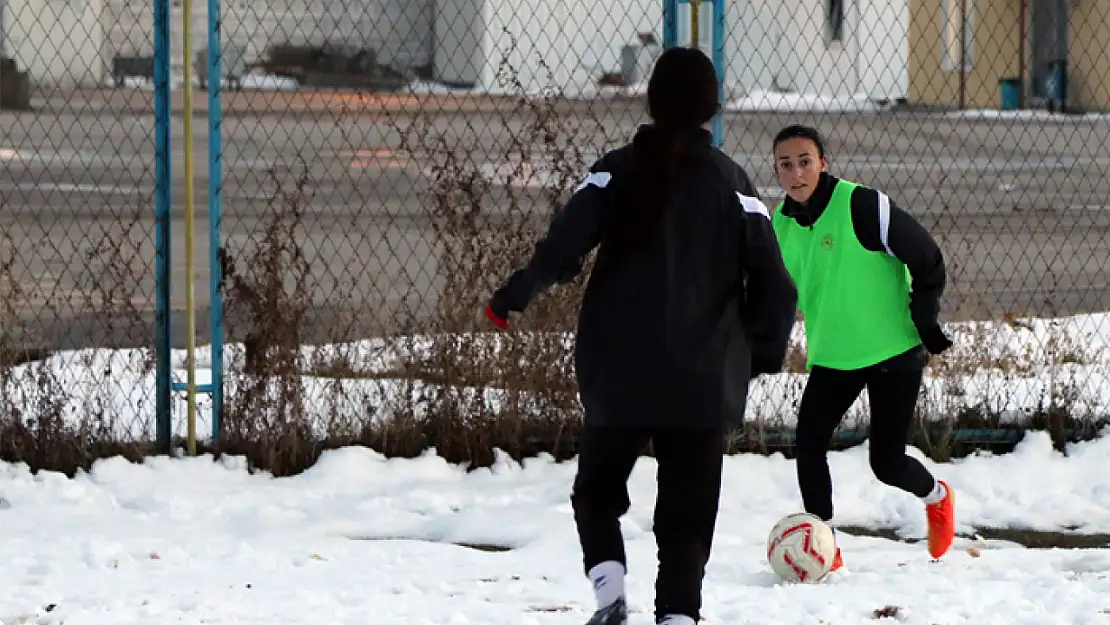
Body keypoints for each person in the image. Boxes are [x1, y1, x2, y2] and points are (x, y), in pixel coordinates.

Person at [484, 47, 798, 625]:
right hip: (702, 381)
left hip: (619, 372)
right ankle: (678, 615)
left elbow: (563, 245)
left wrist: (515, 295)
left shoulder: (615, 171)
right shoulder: (734, 185)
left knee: (596, 495)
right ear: (712, 108)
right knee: (688, 509)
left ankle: (609, 598)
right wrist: (756, 356)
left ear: (651, 102)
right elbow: (776, 286)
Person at [767, 123, 957, 571]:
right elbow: (770, 288)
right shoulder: (780, 224)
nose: (796, 173)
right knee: (809, 444)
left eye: (805, 161)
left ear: (823, 163)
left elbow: (927, 256)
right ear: (776, 171)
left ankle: (938, 497)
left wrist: (924, 317)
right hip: (835, 354)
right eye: (785, 164)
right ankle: (824, 549)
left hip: (894, 351)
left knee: (886, 463)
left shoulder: (862, 205)